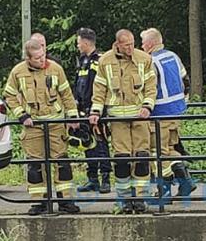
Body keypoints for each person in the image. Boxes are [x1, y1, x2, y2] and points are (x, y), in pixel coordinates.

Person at [3, 38, 81, 215]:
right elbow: (9, 95)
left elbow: (67, 94)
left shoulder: (55, 69)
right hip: (33, 125)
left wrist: (72, 116)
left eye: (43, 55)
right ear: (28, 58)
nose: (42, 60)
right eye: (37, 58)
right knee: (35, 165)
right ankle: (39, 202)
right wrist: (21, 115)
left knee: (62, 162)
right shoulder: (18, 72)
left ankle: (65, 200)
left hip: (56, 124)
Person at [90, 29, 157, 213]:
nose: (131, 47)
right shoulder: (105, 61)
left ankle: (141, 197)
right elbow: (99, 89)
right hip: (117, 118)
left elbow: (151, 87)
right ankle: (125, 198)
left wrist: (147, 106)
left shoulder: (144, 59)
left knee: (142, 157)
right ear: (117, 44)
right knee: (122, 159)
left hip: (140, 116)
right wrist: (96, 112)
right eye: (127, 44)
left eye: (133, 43)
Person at [140, 27, 195, 202]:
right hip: (176, 112)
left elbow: (147, 90)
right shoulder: (173, 56)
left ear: (150, 44)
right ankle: (186, 182)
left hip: (160, 113)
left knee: (157, 151)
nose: (141, 46)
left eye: (142, 43)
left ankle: (163, 192)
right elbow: (185, 81)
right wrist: (182, 103)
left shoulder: (150, 61)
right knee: (171, 149)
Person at [72, 28, 112, 194]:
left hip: (96, 110)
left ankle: (105, 179)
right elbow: (79, 84)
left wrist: (98, 109)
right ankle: (92, 179)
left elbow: (103, 85)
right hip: (82, 110)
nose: (77, 45)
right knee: (88, 144)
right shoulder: (82, 60)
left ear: (86, 42)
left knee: (101, 144)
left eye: (79, 42)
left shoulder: (100, 60)